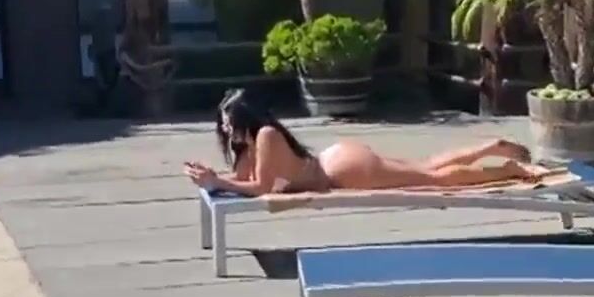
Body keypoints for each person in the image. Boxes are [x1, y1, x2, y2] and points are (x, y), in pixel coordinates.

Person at [184, 88, 547, 197]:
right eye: (223, 122)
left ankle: (507, 169)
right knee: (426, 167)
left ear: (246, 116)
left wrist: (217, 181)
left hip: (344, 171)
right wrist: (215, 175)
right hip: (339, 160)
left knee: (434, 181)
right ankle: (490, 148)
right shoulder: (253, 143)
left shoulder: (265, 136)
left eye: (229, 120)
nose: (225, 127)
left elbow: (262, 188)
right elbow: (245, 180)